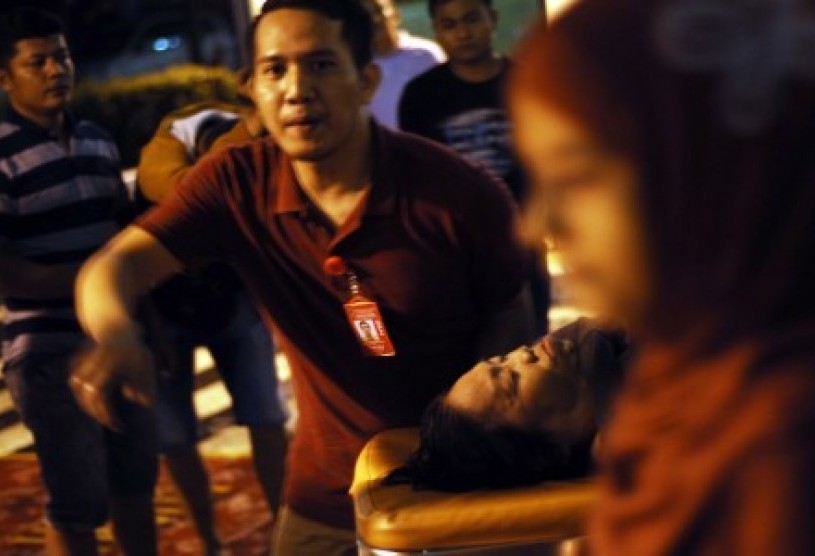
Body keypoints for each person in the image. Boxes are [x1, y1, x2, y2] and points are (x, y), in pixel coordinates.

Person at [71, 1, 533, 554]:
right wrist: (117, 333)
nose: (296, 89)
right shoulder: (238, 182)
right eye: (275, 70)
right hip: (326, 494)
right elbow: (114, 266)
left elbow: (511, 310)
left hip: (460, 492)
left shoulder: (458, 193)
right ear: (251, 88)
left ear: (365, 80)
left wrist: (473, 430)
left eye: (320, 65)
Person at [509, 2, 815, 554]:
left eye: (576, 177)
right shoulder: (686, 378)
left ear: (721, 174)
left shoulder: (786, 456)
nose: (536, 228)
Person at [0, 7, 158, 556]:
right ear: (5, 77)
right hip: (45, 350)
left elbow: (124, 237)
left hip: (117, 339)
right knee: (77, 502)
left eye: (61, 57)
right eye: (36, 61)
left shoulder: (97, 141)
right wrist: (94, 280)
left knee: (136, 482)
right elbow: (7, 272)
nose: (53, 70)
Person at [136, 88, 287, 555]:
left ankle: (285, 533)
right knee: (176, 435)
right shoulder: (175, 149)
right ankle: (208, 541)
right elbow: (156, 200)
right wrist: (145, 328)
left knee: (267, 416)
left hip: (233, 298)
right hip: (166, 305)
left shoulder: (275, 151)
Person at [399, 0, 550, 336]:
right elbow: (417, 175)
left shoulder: (525, 82)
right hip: (456, 244)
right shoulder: (421, 95)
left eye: (471, 19)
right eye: (449, 24)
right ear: (436, 30)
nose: (463, 32)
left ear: (492, 19)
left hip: (523, 233)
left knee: (534, 341)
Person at [390, 318, 627, 491]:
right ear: (543, 455)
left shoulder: (591, 347)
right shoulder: (640, 441)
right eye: (513, 379)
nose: (523, 353)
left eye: (501, 359)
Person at [362, 0, 445, 129]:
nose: (374, 20)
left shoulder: (427, 54)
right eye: (365, 14)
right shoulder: (359, 66)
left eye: (377, 11)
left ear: (395, 15)